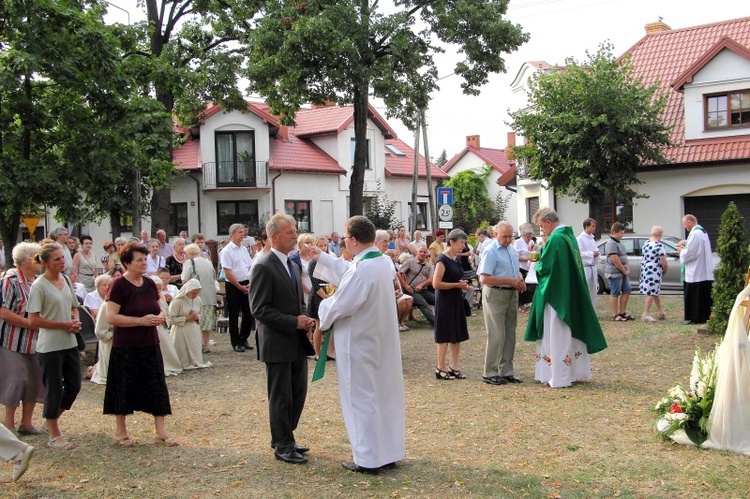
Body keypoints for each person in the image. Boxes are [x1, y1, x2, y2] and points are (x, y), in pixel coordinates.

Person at [316, 215, 406, 474]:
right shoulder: (380, 261)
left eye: (345, 238)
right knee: (384, 395)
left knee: (361, 398)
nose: (343, 243)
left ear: (353, 240)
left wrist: (322, 309)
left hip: (359, 343)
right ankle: (388, 451)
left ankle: (367, 457)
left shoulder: (364, 269)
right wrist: (320, 257)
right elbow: (347, 272)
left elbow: (342, 302)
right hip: (379, 341)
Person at [249, 213, 315, 465]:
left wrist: (304, 318)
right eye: (290, 232)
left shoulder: (293, 264)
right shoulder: (263, 266)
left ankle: (285, 436)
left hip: (295, 339)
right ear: (274, 237)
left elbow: (296, 301)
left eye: (295, 231)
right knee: (281, 395)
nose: (295, 236)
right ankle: (283, 444)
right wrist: (292, 322)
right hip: (276, 342)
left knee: (298, 392)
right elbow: (259, 309)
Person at [524, 207, 608, 388]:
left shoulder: (556, 238)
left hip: (556, 296)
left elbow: (547, 268)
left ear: (548, 222)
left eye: (541, 226)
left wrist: (536, 266)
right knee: (565, 334)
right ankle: (570, 373)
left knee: (557, 333)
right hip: (567, 291)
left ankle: (559, 376)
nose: (542, 231)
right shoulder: (568, 236)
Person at [104, 243, 177, 447]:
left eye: (145, 259)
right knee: (123, 387)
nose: (144, 263)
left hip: (150, 343)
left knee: (156, 386)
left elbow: (160, 307)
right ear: (127, 263)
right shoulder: (118, 285)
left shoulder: (149, 284)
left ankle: (161, 432)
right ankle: (121, 433)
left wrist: (160, 316)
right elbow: (111, 316)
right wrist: (140, 321)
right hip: (126, 345)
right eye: (139, 260)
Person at [27, 242, 81, 450]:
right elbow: (33, 320)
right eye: (57, 259)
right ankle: (54, 433)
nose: (62, 262)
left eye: (62, 257)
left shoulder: (65, 279)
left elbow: (74, 306)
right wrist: (63, 324)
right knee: (55, 388)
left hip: (69, 342)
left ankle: (51, 420)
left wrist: (74, 322)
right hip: (50, 346)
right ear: (45, 263)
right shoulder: (39, 286)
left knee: (74, 385)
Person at [0, 243, 45, 436]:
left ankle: (26, 424)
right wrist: (30, 323)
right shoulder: (11, 279)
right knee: (17, 379)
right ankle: (8, 424)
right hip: (12, 340)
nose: (40, 262)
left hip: (35, 341)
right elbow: (3, 311)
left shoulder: (38, 281)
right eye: (37, 258)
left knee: (35, 380)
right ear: (25, 260)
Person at [478, 222, 526, 386]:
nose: (507, 239)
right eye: (504, 236)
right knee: (497, 334)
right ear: (495, 234)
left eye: (509, 236)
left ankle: (506, 371)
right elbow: (484, 278)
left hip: (511, 294)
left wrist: (519, 279)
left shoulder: (511, 249)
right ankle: (490, 372)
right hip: (495, 293)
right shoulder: (491, 251)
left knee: (510, 334)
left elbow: (514, 269)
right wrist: (510, 280)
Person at [432, 229, 473, 380]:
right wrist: (457, 285)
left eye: (464, 242)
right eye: (461, 242)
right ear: (451, 242)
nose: (464, 245)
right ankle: (440, 367)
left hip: (455, 298)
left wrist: (462, 284)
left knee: (456, 333)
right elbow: (436, 283)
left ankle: (454, 366)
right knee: (444, 333)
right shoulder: (442, 259)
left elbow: (455, 278)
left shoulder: (456, 259)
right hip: (444, 300)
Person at [220, 224, 254, 352]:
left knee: (248, 313)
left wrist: (249, 282)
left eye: (243, 232)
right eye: (240, 232)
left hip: (246, 282)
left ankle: (243, 338)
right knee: (234, 314)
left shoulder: (244, 249)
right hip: (233, 285)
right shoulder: (227, 251)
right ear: (232, 234)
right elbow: (228, 272)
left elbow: (249, 267)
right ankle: (236, 342)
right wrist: (239, 287)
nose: (243, 234)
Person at [678, 214, 714, 325]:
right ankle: (704, 316)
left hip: (695, 272)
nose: (684, 227)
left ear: (689, 222)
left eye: (684, 224)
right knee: (703, 296)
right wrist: (686, 243)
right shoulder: (702, 232)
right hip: (703, 271)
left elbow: (690, 253)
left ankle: (695, 318)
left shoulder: (695, 234)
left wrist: (681, 251)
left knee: (695, 296)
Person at [181, 244, 217, 353]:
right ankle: (206, 345)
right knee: (207, 322)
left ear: (190, 254)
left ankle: (195, 345)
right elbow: (214, 277)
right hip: (209, 296)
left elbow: (184, 280)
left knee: (195, 321)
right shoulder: (208, 262)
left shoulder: (189, 262)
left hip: (195, 297)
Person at [170, 279, 212, 370]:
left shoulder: (198, 300)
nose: (195, 295)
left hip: (194, 329)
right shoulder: (177, 301)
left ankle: (195, 361)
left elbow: (201, 314)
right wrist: (186, 318)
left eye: (197, 293)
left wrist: (197, 317)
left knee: (194, 347)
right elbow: (172, 319)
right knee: (183, 349)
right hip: (181, 330)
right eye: (193, 293)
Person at [150, 275, 182, 377]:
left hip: (162, 327)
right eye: (157, 288)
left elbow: (167, 313)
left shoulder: (161, 299)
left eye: (160, 288)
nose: (159, 290)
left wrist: (164, 320)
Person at [307, 237, 334, 359]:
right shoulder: (313, 262)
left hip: (329, 293)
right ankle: (317, 353)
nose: (323, 248)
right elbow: (315, 284)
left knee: (331, 325)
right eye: (321, 245)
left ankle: (329, 351)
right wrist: (325, 296)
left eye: (325, 245)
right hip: (318, 296)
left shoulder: (330, 260)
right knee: (319, 325)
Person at [397, 246, 435, 326]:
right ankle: (436, 323)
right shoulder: (410, 262)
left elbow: (431, 279)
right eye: (420, 251)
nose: (422, 253)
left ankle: (446, 318)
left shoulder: (429, 266)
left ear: (427, 254)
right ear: (417, 252)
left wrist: (422, 285)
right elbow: (399, 274)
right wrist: (406, 286)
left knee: (437, 300)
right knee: (423, 304)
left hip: (423, 290)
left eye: (424, 252)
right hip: (410, 290)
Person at [640, 225, 668, 322]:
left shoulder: (646, 244)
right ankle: (645, 313)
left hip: (645, 269)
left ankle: (661, 311)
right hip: (654, 270)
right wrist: (665, 269)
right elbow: (663, 262)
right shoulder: (659, 246)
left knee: (655, 291)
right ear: (660, 234)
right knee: (651, 292)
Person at [605, 222, 633, 321]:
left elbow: (624, 257)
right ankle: (615, 314)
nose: (622, 235)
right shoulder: (611, 244)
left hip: (623, 272)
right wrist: (623, 271)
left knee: (627, 289)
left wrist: (627, 269)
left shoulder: (619, 243)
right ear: (614, 232)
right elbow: (615, 259)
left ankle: (622, 312)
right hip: (614, 272)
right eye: (621, 233)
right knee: (615, 292)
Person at [576, 218, 600, 308]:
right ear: (586, 226)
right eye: (592, 226)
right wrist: (591, 254)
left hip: (592, 267)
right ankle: (583, 309)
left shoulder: (592, 239)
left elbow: (595, 250)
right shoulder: (579, 239)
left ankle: (592, 309)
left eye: (595, 226)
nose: (594, 228)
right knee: (585, 289)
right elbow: (578, 253)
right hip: (585, 267)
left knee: (594, 290)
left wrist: (596, 253)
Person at [90, 302, 114, 385]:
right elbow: (100, 331)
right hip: (111, 343)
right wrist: (114, 335)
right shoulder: (106, 306)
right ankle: (93, 371)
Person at [514, 225, 536, 312]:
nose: (529, 239)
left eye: (530, 237)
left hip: (529, 267)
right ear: (523, 236)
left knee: (530, 287)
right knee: (522, 287)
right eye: (527, 237)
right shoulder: (518, 242)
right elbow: (516, 257)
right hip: (521, 267)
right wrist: (528, 258)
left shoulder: (531, 241)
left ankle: (527, 303)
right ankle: (520, 304)